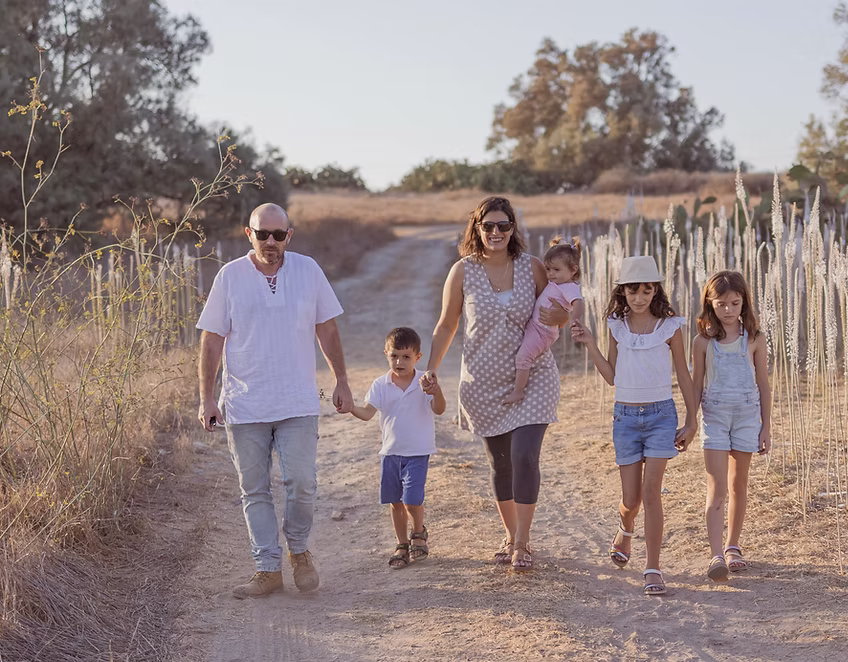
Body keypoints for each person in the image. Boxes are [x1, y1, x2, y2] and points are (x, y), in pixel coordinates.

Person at [197, 202, 353, 599]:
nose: (270, 241)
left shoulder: (308, 270)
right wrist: (207, 398)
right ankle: (267, 568)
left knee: (302, 482)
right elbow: (212, 339)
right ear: (248, 234)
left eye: (278, 234)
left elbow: (327, 329)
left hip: (298, 401)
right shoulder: (230, 276)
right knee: (254, 489)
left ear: (289, 236)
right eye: (262, 233)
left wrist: (341, 380)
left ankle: (299, 551)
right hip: (245, 404)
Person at [419, 196, 569, 571]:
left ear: (513, 228)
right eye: (488, 226)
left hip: (533, 375)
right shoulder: (462, 272)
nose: (496, 232)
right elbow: (447, 324)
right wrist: (432, 368)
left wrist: (562, 317)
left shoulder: (532, 267)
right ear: (477, 228)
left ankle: (523, 541)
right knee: (500, 464)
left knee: (524, 456)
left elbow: (557, 306)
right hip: (483, 382)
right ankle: (510, 533)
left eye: (504, 225)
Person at [570, 255, 696, 596]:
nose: (639, 297)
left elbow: (683, 374)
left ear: (656, 291)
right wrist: (591, 344)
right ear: (622, 292)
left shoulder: (670, 327)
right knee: (632, 498)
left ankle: (653, 568)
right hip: (625, 418)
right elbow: (612, 376)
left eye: (646, 290)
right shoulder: (616, 326)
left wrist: (691, 419)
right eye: (632, 291)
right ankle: (625, 529)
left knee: (652, 493)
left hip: (661, 416)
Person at [688, 270, 771, 582]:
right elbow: (696, 385)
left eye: (735, 303)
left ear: (744, 302)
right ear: (710, 303)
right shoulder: (702, 343)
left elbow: (763, 384)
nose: (728, 310)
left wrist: (766, 426)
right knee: (717, 488)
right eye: (721, 304)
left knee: (739, 485)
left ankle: (733, 545)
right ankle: (716, 555)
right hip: (715, 418)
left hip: (747, 418)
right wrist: (691, 421)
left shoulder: (755, 339)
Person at [348, 327, 446, 569]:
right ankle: (402, 545)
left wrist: (437, 392)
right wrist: (350, 407)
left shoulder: (425, 381)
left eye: (406, 356)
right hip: (390, 453)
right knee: (395, 502)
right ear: (386, 354)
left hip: (417, 452)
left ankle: (419, 533)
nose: (399, 362)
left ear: (418, 357)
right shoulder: (380, 385)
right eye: (394, 356)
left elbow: (439, 409)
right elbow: (367, 413)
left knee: (412, 500)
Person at [503, 236, 585, 405]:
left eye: (556, 270)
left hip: (543, 331)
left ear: (573, 270)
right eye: (548, 269)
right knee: (521, 352)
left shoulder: (569, 287)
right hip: (537, 326)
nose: (551, 274)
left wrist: (575, 320)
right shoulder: (558, 283)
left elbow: (578, 302)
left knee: (524, 357)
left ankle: (518, 391)